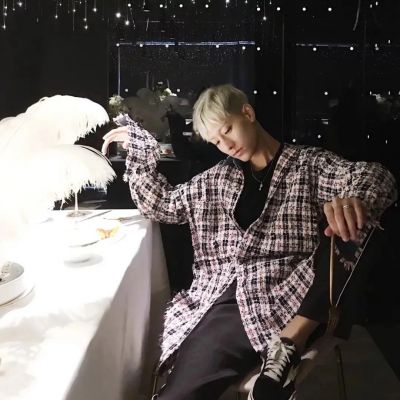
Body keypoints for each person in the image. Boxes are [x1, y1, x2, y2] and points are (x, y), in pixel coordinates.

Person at [102, 84, 397, 400]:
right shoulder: (216, 180)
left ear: (247, 113)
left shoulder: (308, 164)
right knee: (182, 390)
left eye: (228, 129)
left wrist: (354, 199)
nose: (227, 145)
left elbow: (377, 177)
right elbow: (162, 204)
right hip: (230, 299)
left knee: (358, 222)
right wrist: (139, 148)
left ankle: (290, 342)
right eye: (217, 141)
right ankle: (277, 364)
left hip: (295, 291)